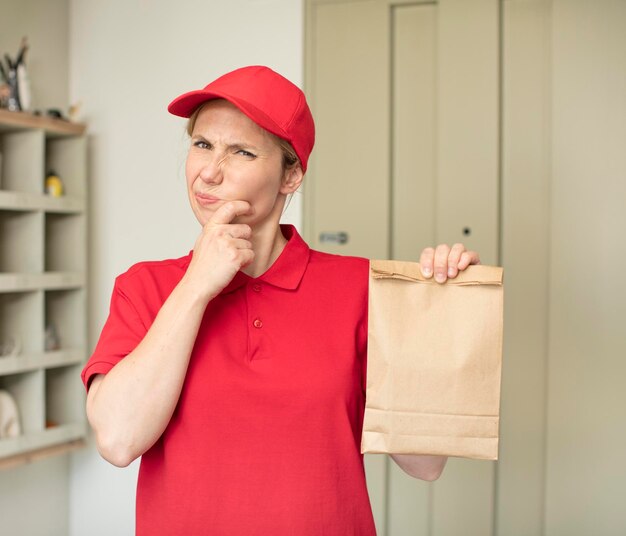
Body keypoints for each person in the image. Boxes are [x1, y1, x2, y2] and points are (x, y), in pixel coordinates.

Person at [82, 65, 481, 535]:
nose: (209, 172)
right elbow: (118, 439)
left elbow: (425, 463)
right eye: (202, 144)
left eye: (242, 152)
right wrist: (195, 286)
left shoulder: (361, 287)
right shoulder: (145, 287)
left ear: (290, 175)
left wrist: (430, 314)